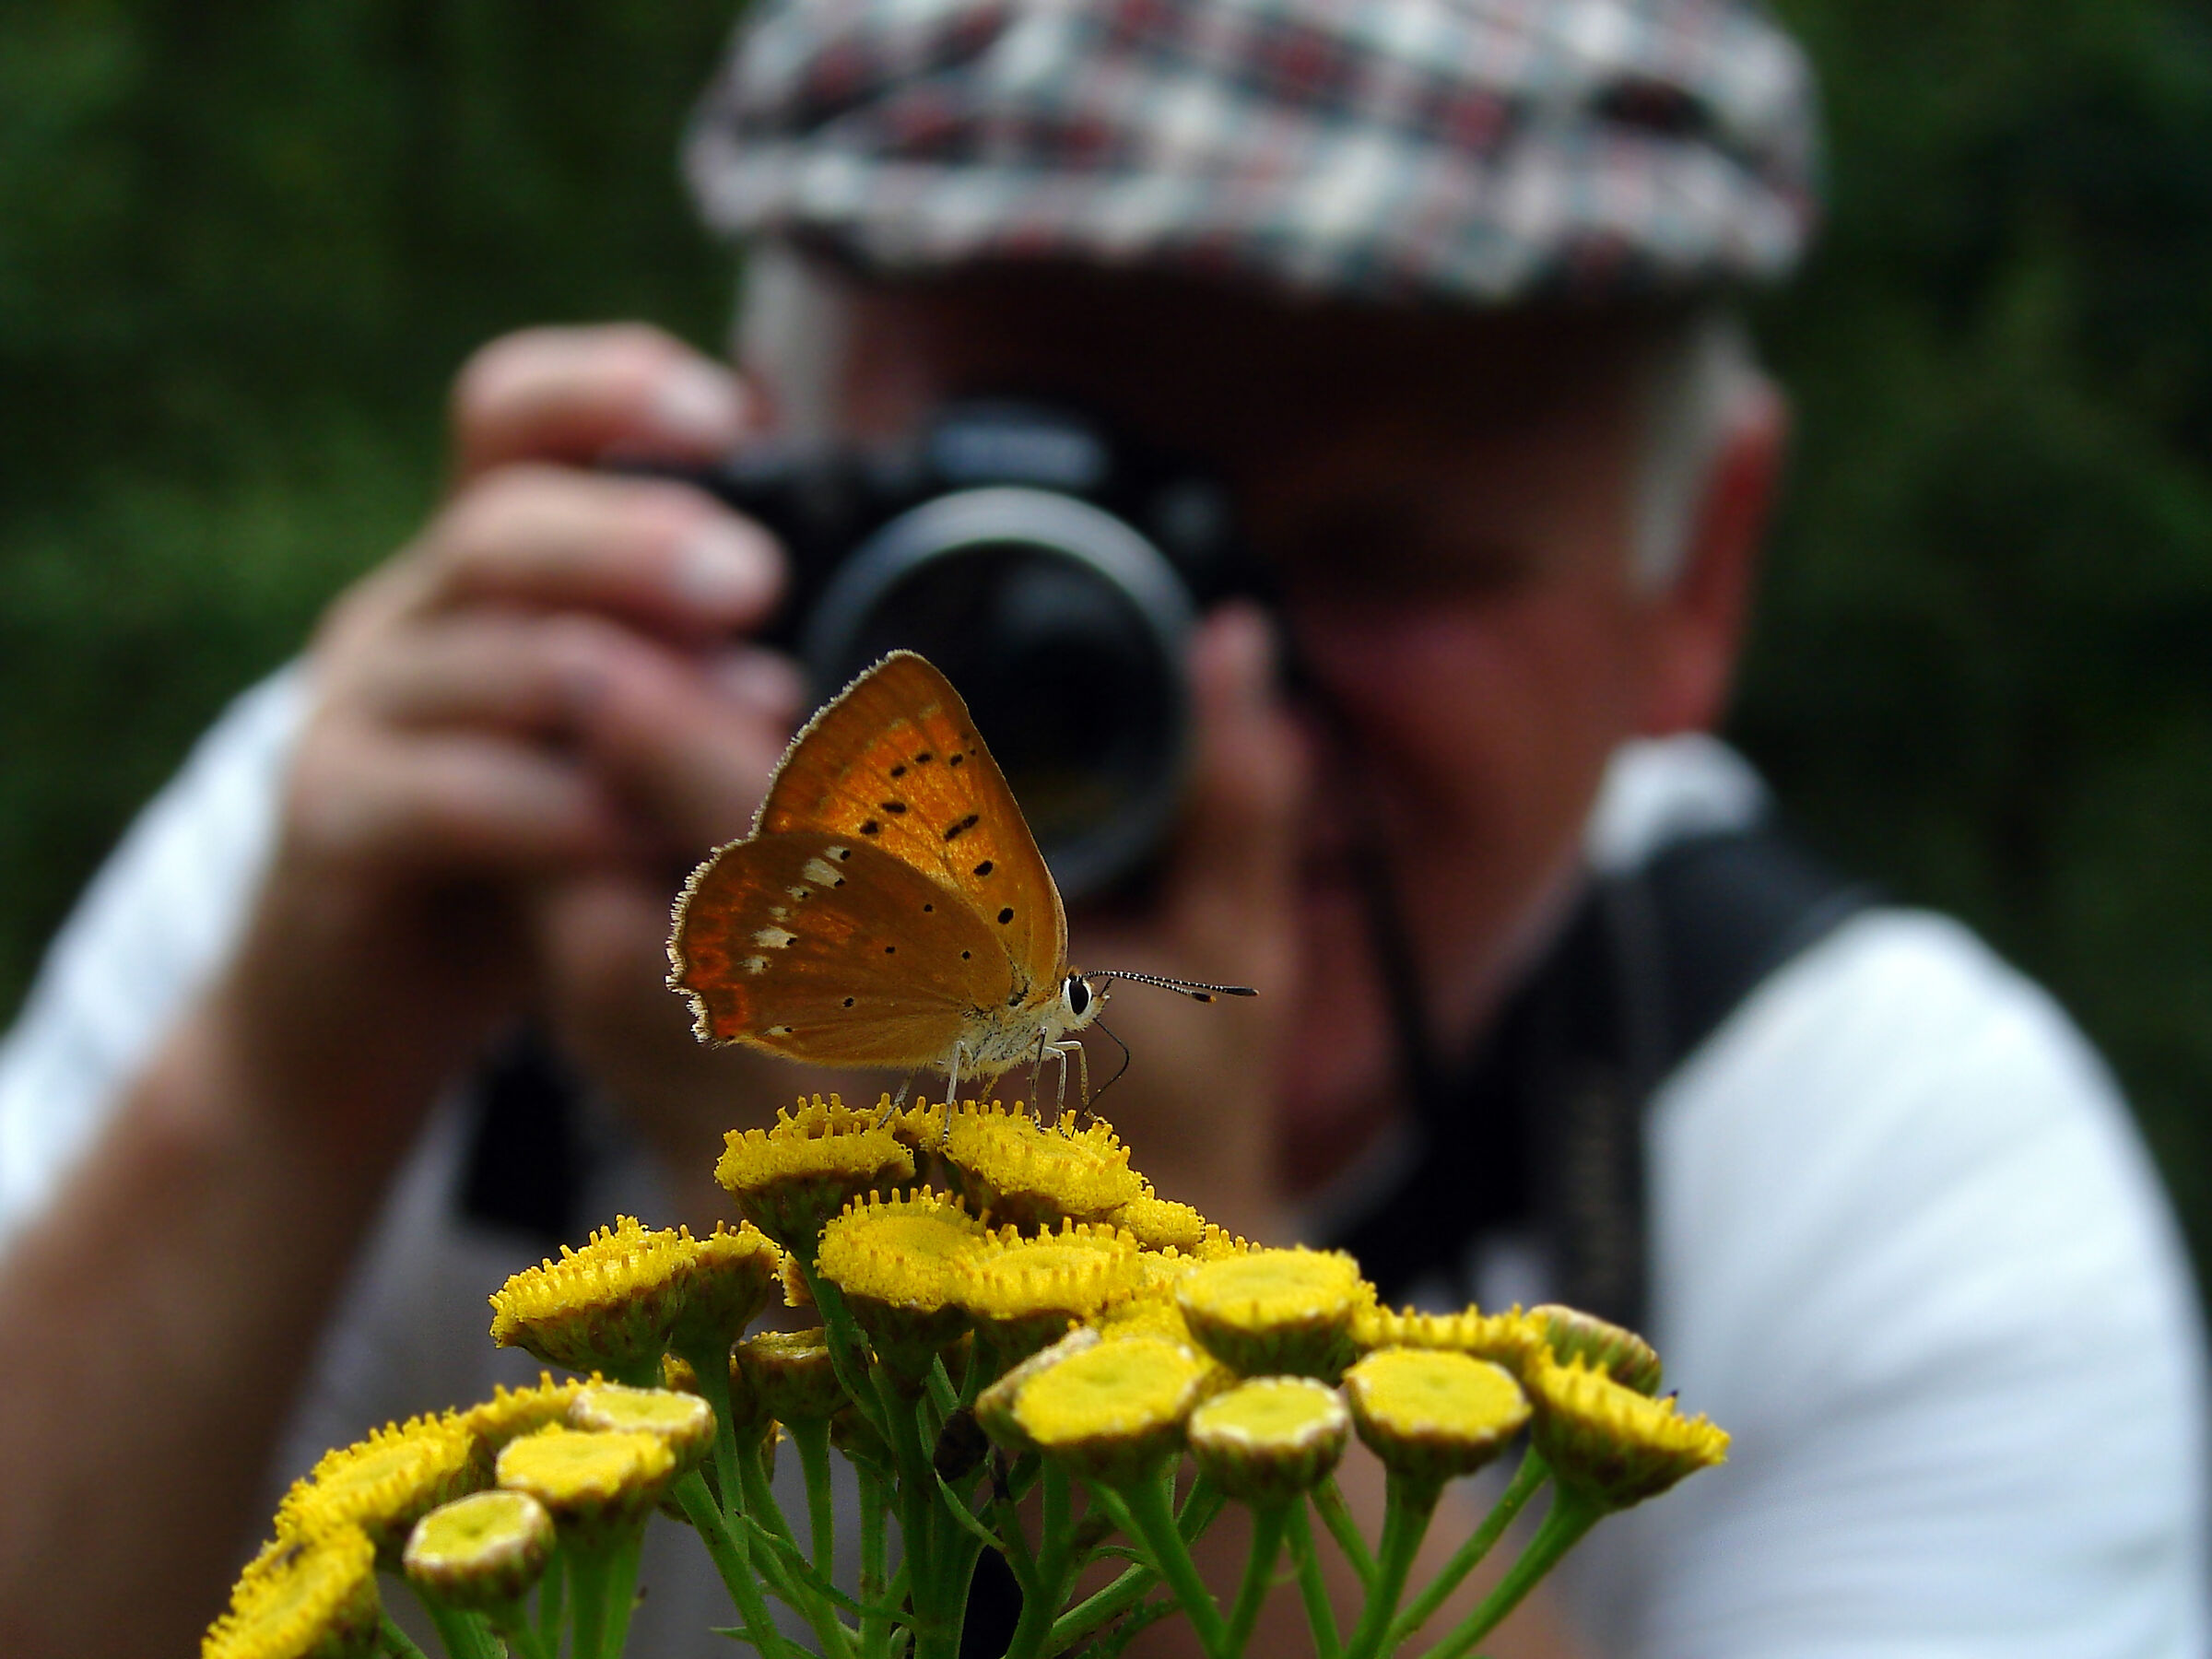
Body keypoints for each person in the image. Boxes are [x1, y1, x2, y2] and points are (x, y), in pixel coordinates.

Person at [1, 0, 2205, 1655]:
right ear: (755, 450)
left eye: (1390, 560)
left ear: (1697, 580)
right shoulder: (442, 820)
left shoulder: (1894, 1174)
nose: (1202, 680)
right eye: (1019, 513)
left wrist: (1181, 1300)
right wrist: (279, 1075)